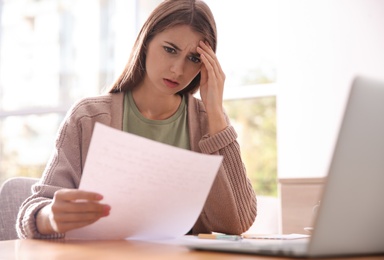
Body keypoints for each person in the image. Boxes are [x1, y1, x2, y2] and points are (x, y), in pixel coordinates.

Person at [16, 0, 257, 239]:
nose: (177, 70)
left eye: (194, 58)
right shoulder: (89, 117)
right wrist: (49, 217)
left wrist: (215, 112)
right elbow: (34, 208)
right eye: (170, 49)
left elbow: (239, 222)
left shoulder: (209, 122)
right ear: (145, 42)